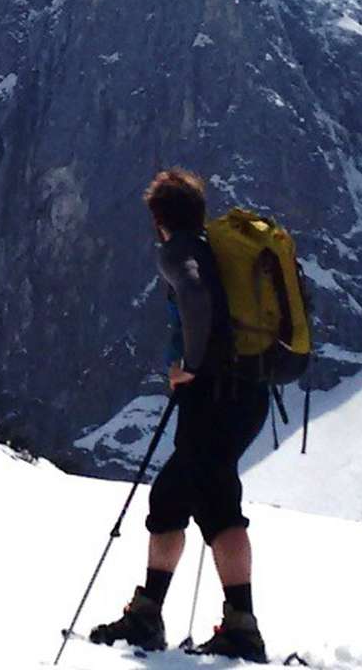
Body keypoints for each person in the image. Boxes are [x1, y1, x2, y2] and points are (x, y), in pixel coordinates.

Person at [88, 168, 271, 662]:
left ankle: (237, 628)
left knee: (214, 507)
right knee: (177, 498)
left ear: (158, 219)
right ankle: (153, 613)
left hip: (214, 396)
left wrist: (189, 367)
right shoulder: (214, 249)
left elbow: (194, 296)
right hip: (247, 395)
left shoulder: (180, 250)